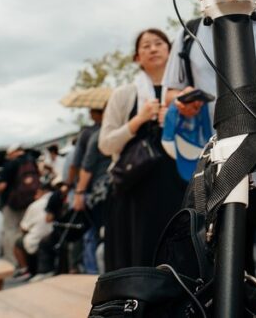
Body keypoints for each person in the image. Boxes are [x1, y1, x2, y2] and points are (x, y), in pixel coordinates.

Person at [163, 9, 256, 303]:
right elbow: (170, 92)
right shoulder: (188, 33)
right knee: (228, 284)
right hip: (220, 175)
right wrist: (181, 101)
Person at [98, 28, 187, 270]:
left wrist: (175, 119)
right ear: (137, 58)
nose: (153, 49)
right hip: (134, 196)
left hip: (177, 187)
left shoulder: (184, 92)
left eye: (159, 43)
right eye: (145, 46)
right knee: (138, 261)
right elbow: (105, 144)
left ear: (170, 52)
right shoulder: (123, 95)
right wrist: (138, 120)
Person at [72, 108, 110, 274]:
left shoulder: (91, 135)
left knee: (91, 234)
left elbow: (83, 166)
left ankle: (93, 273)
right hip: (110, 190)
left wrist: (78, 192)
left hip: (94, 192)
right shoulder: (114, 130)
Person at [0, 144, 40, 266]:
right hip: (30, 201)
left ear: (12, 152)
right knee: (26, 229)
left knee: (10, 230)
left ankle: (13, 260)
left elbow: (2, 186)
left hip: (12, 203)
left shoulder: (10, 164)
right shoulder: (32, 161)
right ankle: (28, 260)